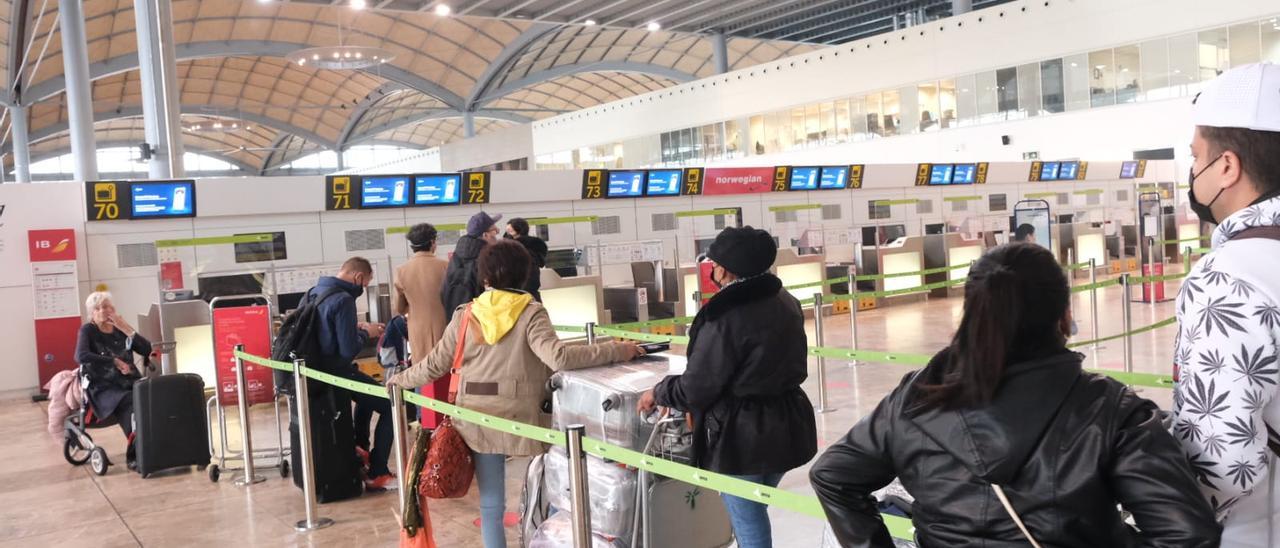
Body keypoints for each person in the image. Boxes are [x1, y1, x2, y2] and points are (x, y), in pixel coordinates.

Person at [809, 243, 1221, 547]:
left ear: (972, 313)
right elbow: (1188, 534)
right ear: (1064, 316)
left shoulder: (917, 398)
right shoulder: (1109, 409)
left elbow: (832, 475)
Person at [390, 240, 643, 548]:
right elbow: (559, 358)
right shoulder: (530, 312)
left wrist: (397, 381)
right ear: (523, 275)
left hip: (475, 418)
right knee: (550, 491)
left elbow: (434, 364)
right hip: (525, 417)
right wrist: (619, 350)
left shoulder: (466, 314)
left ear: (484, 278)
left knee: (491, 506)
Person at [637, 226, 816, 548]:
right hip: (788, 422)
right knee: (753, 506)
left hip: (742, 436)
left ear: (724, 269)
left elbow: (699, 386)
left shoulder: (724, 315)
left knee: (747, 518)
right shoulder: (785, 299)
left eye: (714, 264)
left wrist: (659, 391)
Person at [1170, 62, 1280, 546]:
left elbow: (1222, 463)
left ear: (1228, 166)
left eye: (1196, 157)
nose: (1193, 172)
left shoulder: (1229, 278)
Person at [310, 257, 393, 490]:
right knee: (389, 405)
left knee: (367, 397)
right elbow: (348, 350)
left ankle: (361, 449)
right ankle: (378, 471)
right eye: (365, 284)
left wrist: (355, 328)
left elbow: (323, 330)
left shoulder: (316, 291)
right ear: (358, 277)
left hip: (319, 372)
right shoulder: (344, 300)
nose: (363, 288)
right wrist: (369, 334)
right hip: (338, 371)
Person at [74, 291, 152, 471]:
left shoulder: (120, 329)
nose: (105, 311)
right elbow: (80, 355)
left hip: (129, 382)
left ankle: (155, 447)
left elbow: (147, 349)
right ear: (92, 314)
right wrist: (113, 361)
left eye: (108, 306)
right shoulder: (88, 330)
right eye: (99, 308)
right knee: (131, 402)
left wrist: (127, 328)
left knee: (150, 396)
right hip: (103, 387)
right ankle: (136, 455)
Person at [394, 223, 451, 428]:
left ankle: (423, 419)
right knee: (447, 373)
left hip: (417, 330)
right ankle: (448, 422)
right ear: (433, 242)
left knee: (421, 372)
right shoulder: (445, 266)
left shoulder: (401, 271)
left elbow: (399, 308)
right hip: (445, 329)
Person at [442, 211, 501, 314]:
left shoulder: (457, 256)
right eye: (495, 230)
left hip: (457, 320)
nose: (498, 232)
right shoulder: (486, 259)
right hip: (480, 320)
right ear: (485, 235)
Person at [505, 217, 548, 302]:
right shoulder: (533, 247)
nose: (507, 232)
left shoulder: (519, 250)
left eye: (509, 230)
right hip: (528, 294)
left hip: (521, 295)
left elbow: (530, 277)